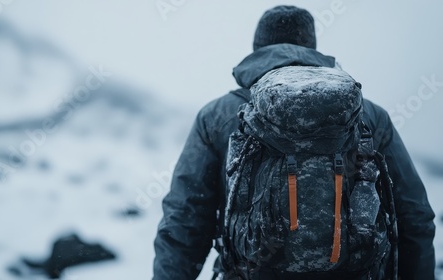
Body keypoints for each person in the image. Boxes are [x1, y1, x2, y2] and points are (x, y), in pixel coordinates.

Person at [153, 5, 435, 280]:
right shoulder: (369, 116)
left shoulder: (218, 116)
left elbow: (184, 220)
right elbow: (414, 217)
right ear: (312, 47)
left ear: (257, 49)